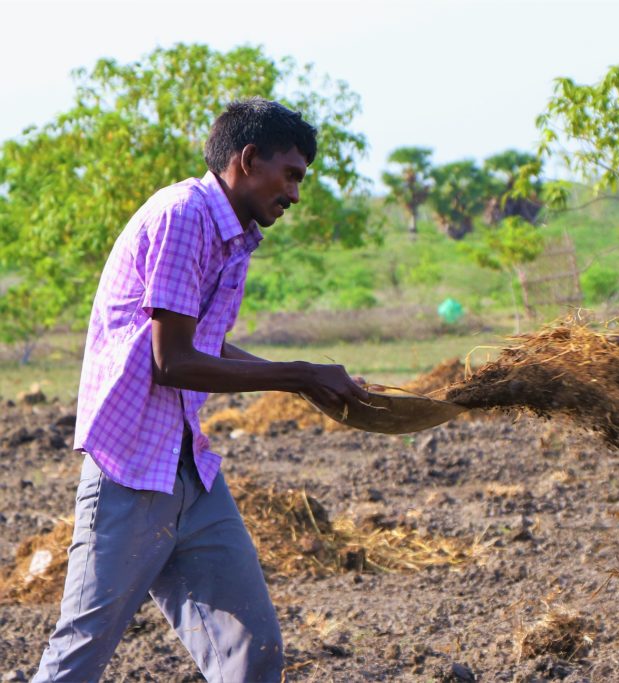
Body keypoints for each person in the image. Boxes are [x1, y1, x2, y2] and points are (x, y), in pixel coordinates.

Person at [33, 97, 369, 682]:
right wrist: (298, 373)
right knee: (78, 657)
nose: (294, 194)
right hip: (129, 473)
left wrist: (306, 381)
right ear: (246, 160)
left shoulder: (233, 234)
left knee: (252, 652)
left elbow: (201, 342)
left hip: (189, 470)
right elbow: (174, 361)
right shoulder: (184, 215)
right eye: (289, 175)